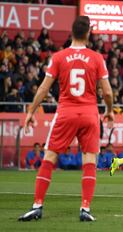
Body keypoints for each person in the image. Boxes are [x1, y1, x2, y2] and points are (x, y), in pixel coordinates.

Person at [18, 16, 114, 222]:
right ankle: (85, 209)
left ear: (72, 33)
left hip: (66, 112)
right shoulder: (97, 58)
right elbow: (107, 92)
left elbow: (44, 88)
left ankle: (37, 206)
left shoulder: (59, 57)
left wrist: (30, 112)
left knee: (50, 157)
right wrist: (110, 110)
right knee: (89, 160)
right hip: (89, 113)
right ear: (88, 33)